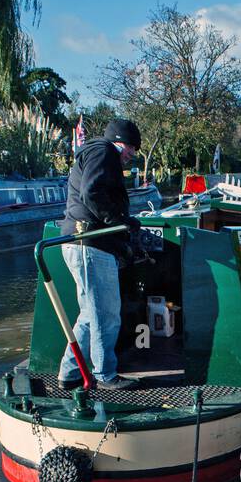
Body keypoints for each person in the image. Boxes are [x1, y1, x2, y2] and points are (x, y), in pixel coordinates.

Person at [58, 118, 143, 387]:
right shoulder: (104, 151)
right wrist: (117, 222)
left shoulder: (97, 152)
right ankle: (105, 374)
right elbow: (92, 192)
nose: (132, 154)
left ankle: (69, 373)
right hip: (91, 243)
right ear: (121, 142)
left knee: (89, 314)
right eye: (131, 147)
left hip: (81, 242)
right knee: (106, 314)